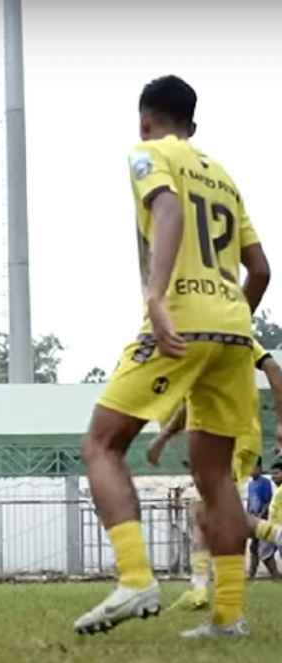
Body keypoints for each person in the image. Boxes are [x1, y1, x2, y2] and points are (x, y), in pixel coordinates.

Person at [73, 75, 271, 639]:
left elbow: (168, 212)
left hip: (181, 318)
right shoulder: (225, 177)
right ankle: (228, 618)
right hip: (234, 330)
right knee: (217, 480)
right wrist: (229, 320)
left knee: (102, 443)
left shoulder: (147, 153)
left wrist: (157, 297)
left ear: (145, 120)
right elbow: (260, 271)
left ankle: (135, 579)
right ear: (193, 124)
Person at [148, 341, 282, 607]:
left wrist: (281, 420)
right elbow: (190, 405)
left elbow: (272, 368)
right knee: (202, 513)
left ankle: (276, 537)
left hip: (227, 438)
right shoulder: (208, 339)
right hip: (226, 437)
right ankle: (199, 589)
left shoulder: (218, 334)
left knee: (219, 513)